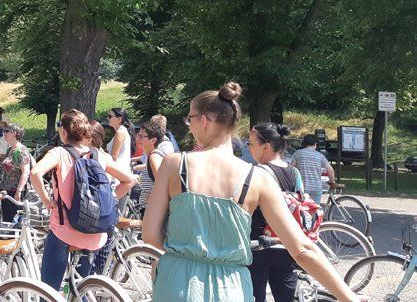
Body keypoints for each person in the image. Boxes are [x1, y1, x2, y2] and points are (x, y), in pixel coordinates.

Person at [141, 82, 362, 302]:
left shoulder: (174, 164)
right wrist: (347, 296)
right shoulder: (258, 178)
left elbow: (150, 233)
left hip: (177, 283)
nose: (189, 125)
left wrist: (183, 254)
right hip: (231, 287)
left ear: (205, 121)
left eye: (190, 119)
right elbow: (302, 249)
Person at [30, 109, 137, 292]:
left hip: (64, 232)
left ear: (63, 132)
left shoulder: (58, 153)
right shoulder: (99, 155)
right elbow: (130, 180)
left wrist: (48, 201)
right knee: (81, 288)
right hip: (95, 234)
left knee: (49, 291)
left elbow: (35, 173)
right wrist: (111, 199)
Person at [248, 122, 305, 302]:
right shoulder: (294, 172)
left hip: (259, 244)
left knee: (254, 296)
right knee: (285, 296)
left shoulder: (258, 172)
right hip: (286, 244)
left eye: (251, 143)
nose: (248, 147)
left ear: (265, 147)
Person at [0, 123, 32, 221]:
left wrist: (18, 191)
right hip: (6, 190)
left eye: (6, 131)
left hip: (14, 192)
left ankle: (13, 236)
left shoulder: (21, 150)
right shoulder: (10, 149)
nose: (4, 133)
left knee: (13, 220)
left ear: (14, 133)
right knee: (7, 219)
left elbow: (25, 172)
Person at [291, 134, 338, 204]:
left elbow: (291, 168)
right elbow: (330, 170)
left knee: (302, 211)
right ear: (315, 144)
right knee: (315, 211)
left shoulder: (298, 153)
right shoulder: (320, 156)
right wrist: (332, 181)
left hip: (302, 188)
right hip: (316, 188)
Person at [135, 122, 167, 212]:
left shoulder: (154, 157)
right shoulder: (152, 156)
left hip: (153, 210)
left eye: (141, 136)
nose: (137, 138)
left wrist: (154, 199)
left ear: (153, 140)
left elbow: (162, 183)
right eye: (138, 135)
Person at [107, 108, 135, 177]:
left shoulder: (120, 132)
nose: (107, 118)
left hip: (118, 173)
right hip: (119, 171)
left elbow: (113, 157)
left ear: (119, 119)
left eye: (110, 116)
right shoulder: (121, 131)